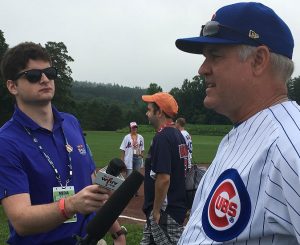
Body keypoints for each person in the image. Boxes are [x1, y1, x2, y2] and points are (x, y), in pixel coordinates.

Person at [175, 2, 299, 244]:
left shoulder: (291, 145)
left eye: (215, 56)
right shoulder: (244, 129)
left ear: (258, 60)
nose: (202, 69)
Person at [0, 42, 126, 245]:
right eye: (33, 75)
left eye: (50, 73)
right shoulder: (6, 142)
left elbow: (92, 183)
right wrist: (70, 205)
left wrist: (117, 232)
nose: (44, 79)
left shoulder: (71, 123)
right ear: (12, 86)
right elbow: (21, 220)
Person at [141, 92, 188, 244]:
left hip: (164, 213)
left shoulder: (162, 138)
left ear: (159, 112)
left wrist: (155, 211)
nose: (147, 113)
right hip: (176, 208)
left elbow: (163, 178)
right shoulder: (178, 135)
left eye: (149, 109)